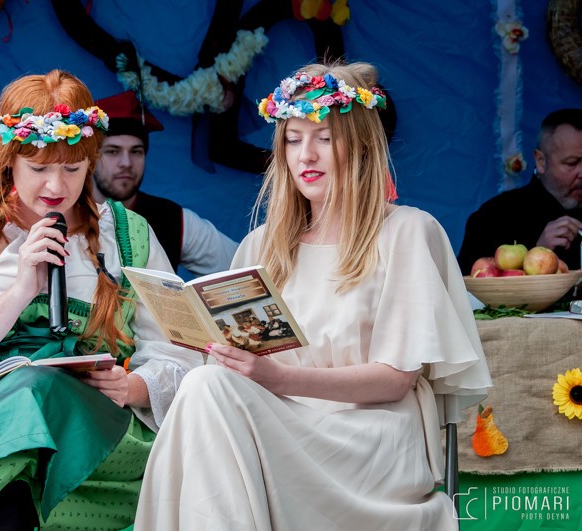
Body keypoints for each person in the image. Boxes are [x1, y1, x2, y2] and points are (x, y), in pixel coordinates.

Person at [134, 61, 492, 530]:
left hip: (371, 439)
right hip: (281, 426)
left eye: (325, 138)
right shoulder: (262, 245)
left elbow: (395, 380)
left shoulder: (407, 231)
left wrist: (278, 378)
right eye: (293, 139)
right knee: (204, 383)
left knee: (207, 390)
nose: (306, 155)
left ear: (360, 145)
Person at [0, 70, 200, 531]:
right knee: (12, 482)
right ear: (9, 162)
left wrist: (134, 386)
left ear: (90, 162)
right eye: (39, 169)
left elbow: (183, 351)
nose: (56, 187)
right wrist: (21, 289)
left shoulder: (130, 236)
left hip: (91, 435)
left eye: (72, 169)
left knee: (35, 390)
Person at [92, 90, 238, 275]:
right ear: (91, 158)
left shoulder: (173, 219)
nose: (126, 163)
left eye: (136, 151)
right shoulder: (67, 216)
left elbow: (242, 269)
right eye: (113, 151)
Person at [458, 108, 582, 274]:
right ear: (541, 161)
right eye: (572, 163)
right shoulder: (494, 216)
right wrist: (536, 253)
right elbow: (468, 283)